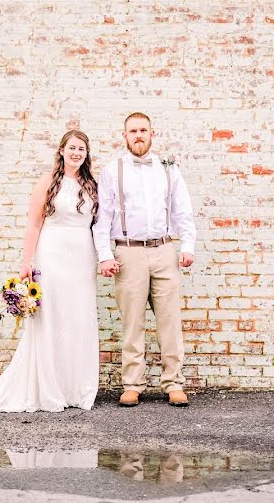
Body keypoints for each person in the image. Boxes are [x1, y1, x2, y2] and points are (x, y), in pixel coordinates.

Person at [0, 130, 99, 413]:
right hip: (53, 254)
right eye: (71, 147)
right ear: (61, 150)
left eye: (81, 149)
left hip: (83, 257)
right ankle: (49, 387)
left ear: (86, 154)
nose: (76, 153)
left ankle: (75, 389)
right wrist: (27, 261)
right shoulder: (48, 182)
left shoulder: (91, 184)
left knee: (78, 319)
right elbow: (34, 224)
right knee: (52, 319)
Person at [93, 113, 196, 407]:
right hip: (129, 251)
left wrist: (187, 246)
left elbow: (182, 210)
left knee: (170, 321)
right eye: (133, 131)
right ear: (124, 136)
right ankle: (132, 384)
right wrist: (104, 255)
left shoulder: (168, 168)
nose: (138, 135)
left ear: (152, 134)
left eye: (143, 130)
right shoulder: (113, 171)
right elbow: (103, 218)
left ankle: (174, 382)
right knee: (132, 322)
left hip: (164, 250)